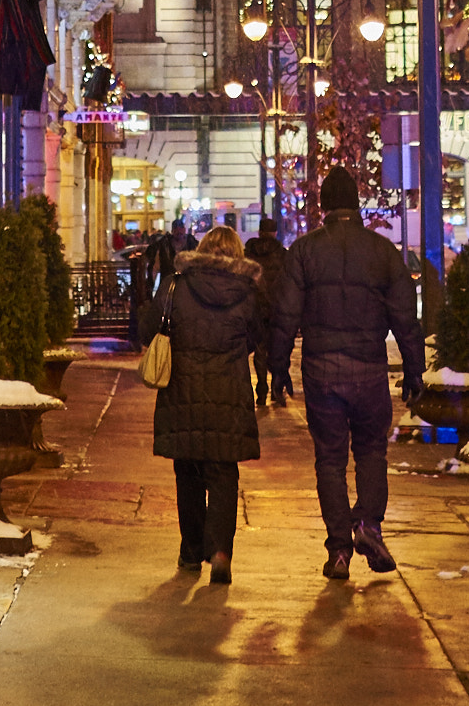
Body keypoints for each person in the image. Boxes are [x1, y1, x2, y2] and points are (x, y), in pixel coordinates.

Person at [270, 167, 424, 581]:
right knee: (372, 452)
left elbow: (285, 314)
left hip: (321, 372)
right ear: (356, 204)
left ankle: (339, 549)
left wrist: (278, 366)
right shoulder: (382, 251)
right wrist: (414, 369)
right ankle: (367, 525)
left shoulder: (303, 252)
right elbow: (405, 318)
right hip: (370, 370)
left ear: (323, 206)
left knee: (330, 460)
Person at [138, 223, 262, 585]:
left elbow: (148, 330)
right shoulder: (248, 291)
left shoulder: (176, 285)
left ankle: (191, 552)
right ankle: (221, 550)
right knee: (224, 473)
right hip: (229, 394)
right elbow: (257, 337)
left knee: (188, 473)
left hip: (183, 393)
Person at [244, 216, 290, 408]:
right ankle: (276, 388)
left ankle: (261, 391)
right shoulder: (282, 254)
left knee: (260, 350)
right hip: (277, 309)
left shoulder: (248, 253)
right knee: (278, 350)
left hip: (255, 309)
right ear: (275, 233)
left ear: (259, 232)